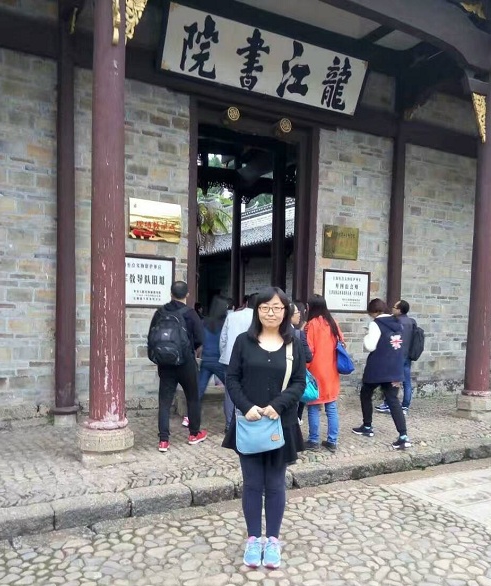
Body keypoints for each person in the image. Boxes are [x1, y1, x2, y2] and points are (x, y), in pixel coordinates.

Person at [222, 287, 305, 569]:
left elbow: (299, 382)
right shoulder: (243, 342)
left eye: (277, 308)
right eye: (265, 308)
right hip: (250, 424)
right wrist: (246, 407)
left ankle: (272, 540)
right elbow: (232, 378)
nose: (271, 313)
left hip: (281, 424)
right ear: (257, 311)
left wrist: (278, 405)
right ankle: (253, 539)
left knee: (276, 484)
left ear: (286, 311)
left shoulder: (294, 343)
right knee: (252, 484)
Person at [149, 281, 207, 452]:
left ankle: (163, 440)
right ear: (187, 294)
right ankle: (194, 434)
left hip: (165, 364)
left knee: (165, 401)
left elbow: (151, 337)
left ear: (170, 293)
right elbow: (200, 339)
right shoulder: (191, 314)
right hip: (186, 362)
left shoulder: (159, 313)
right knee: (192, 397)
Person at [352, 298, 412, 450]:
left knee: (366, 394)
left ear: (375, 312)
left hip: (378, 367)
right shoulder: (398, 322)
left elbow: (370, 346)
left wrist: (366, 336)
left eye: (370, 313)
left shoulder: (376, 324)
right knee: (393, 400)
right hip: (395, 367)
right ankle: (403, 436)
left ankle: (367, 426)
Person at [304, 294, 344, 453]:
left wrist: (304, 368)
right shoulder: (333, 322)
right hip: (332, 371)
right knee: (331, 406)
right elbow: (342, 343)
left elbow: (309, 350)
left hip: (316, 371)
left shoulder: (311, 324)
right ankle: (332, 441)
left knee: (314, 406)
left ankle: (313, 440)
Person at [219, 293, 258, 432]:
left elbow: (223, 339)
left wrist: (224, 354)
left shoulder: (232, 316)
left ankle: (229, 424)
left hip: (228, 358)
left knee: (230, 392)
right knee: (249, 390)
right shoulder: (258, 319)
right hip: (251, 360)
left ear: (246, 303)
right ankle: (246, 421)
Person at [375, 299, 414, 414]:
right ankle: (405, 406)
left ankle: (388, 404)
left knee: (391, 380)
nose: (392, 308)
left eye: (395, 307)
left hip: (397, 355)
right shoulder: (412, 322)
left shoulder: (395, 322)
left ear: (400, 310)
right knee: (406, 382)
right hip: (407, 355)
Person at [198, 295, 229, 428]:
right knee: (232, 388)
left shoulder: (204, 322)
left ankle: (190, 416)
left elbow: (199, 340)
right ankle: (235, 415)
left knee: (199, 390)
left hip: (206, 360)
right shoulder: (224, 324)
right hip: (219, 361)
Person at [291, 301, 312, 425]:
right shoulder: (298, 333)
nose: (299, 315)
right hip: (295, 376)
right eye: (296, 312)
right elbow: (308, 357)